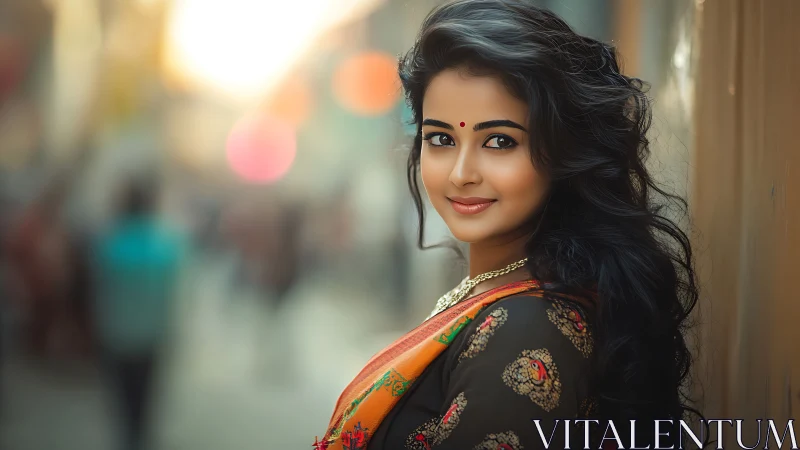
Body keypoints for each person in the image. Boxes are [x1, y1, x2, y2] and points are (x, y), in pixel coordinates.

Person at [313, 1, 704, 449]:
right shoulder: (498, 294)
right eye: (441, 139)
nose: (461, 173)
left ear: (562, 153)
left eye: (499, 141)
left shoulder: (528, 328)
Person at [91, 178, 185, 450]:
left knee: (122, 394)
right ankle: (140, 437)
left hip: (116, 333)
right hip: (151, 335)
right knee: (145, 394)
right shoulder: (165, 245)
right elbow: (172, 296)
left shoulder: (109, 243)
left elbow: (99, 290)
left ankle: (128, 437)